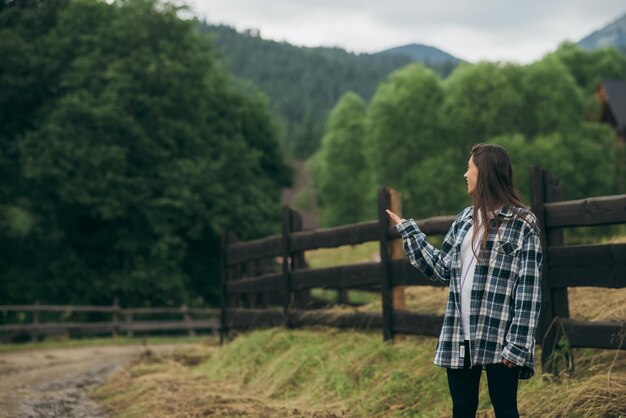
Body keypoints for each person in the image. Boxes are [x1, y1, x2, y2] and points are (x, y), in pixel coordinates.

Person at [386, 144, 542, 418]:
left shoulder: (522, 223)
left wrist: (518, 344)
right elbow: (442, 268)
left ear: (486, 174)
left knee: (505, 410)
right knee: (462, 410)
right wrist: (409, 232)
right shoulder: (464, 220)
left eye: (469, 168)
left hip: (500, 335)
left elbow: (528, 291)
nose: (465, 174)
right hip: (461, 334)